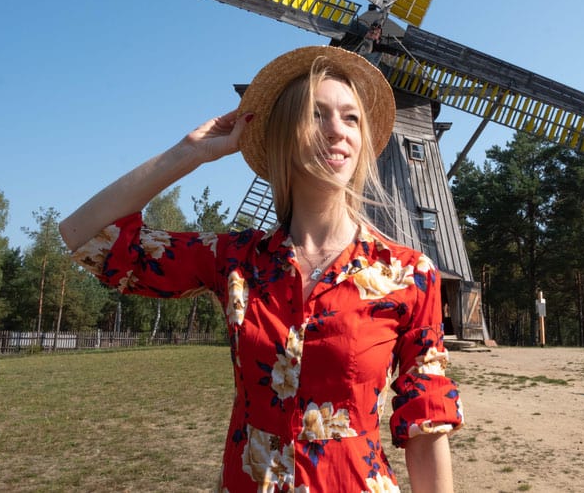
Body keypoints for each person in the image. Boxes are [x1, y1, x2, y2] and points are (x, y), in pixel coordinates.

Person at [60, 45, 463, 492]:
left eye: (351, 118)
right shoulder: (235, 260)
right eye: (316, 115)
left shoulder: (407, 273)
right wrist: (188, 153)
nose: (337, 131)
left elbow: (427, 428)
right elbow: (86, 236)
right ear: (283, 135)